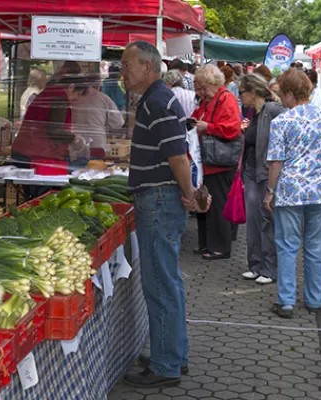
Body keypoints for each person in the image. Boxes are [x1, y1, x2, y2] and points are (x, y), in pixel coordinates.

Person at [120, 40, 203, 389]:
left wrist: (190, 195)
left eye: (127, 65)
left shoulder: (157, 101)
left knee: (160, 285)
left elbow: (178, 157)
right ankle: (172, 352)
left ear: (148, 67)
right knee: (168, 282)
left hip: (158, 201)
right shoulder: (159, 99)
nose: (122, 72)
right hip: (160, 199)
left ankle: (166, 364)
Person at [265, 69, 321, 318]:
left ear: (291, 94)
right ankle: (314, 300)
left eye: (282, 94)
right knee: (316, 246)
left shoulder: (281, 121)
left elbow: (276, 162)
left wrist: (270, 192)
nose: (281, 99)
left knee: (287, 246)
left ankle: (286, 301)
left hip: (290, 191)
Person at [238, 73, 286, 285]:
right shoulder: (254, 113)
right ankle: (255, 265)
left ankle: (269, 267)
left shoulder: (273, 110)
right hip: (251, 172)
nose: (239, 97)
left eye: (241, 92)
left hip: (266, 173)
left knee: (267, 221)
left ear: (252, 92)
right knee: (254, 222)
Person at [192, 64, 242, 260]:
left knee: (218, 205)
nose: (201, 91)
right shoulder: (211, 99)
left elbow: (232, 129)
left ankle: (220, 246)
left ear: (214, 83)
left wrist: (208, 127)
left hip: (220, 162)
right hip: (209, 161)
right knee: (205, 203)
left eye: (204, 87)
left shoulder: (226, 98)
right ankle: (206, 243)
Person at [70, 74, 125, 159]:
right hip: (97, 145)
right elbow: (118, 123)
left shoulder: (73, 99)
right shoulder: (103, 98)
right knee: (96, 169)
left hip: (76, 144)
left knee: (76, 170)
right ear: (98, 84)